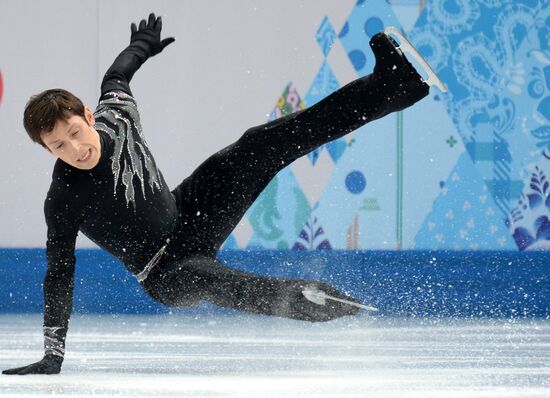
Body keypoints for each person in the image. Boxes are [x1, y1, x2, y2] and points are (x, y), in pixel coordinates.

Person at [3, 13, 433, 375]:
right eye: (58, 146)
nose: (75, 150)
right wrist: (52, 353)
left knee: (259, 145)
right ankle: (312, 299)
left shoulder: (119, 114)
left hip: (188, 212)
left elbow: (118, 73)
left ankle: (392, 88)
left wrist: (142, 46)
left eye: (75, 133)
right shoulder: (62, 199)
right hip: (165, 273)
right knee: (212, 279)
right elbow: (59, 272)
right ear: (46, 149)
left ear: (88, 115)